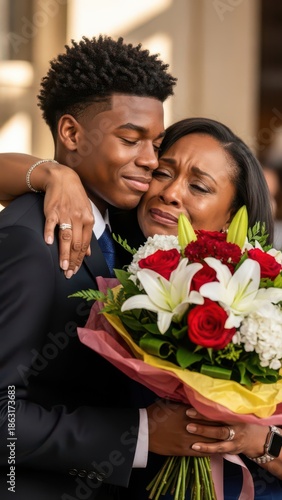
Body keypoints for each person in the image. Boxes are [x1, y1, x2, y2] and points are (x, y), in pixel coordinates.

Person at [1, 117, 282, 499]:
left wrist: (256, 440)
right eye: (163, 173)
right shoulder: (119, 264)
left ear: (234, 217)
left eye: (198, 186)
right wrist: (56, 175)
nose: (170, 193)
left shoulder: (267, 297)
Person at [0, 36, 215, 500]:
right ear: (73, 134)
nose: (150, 161)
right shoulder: (30, 239)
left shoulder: (124, 225)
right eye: (130, 139)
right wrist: (140, 434)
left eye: (156, 143)